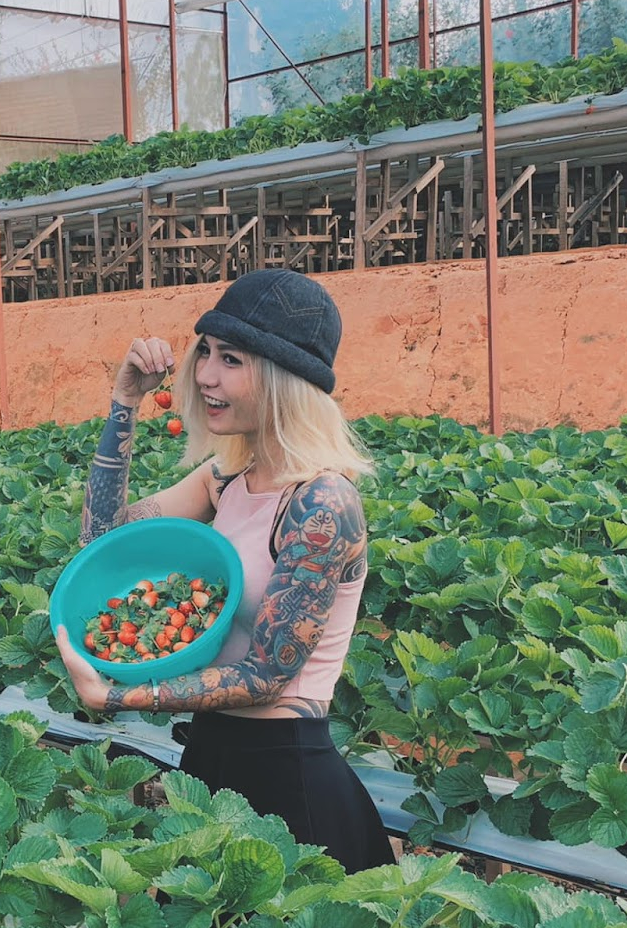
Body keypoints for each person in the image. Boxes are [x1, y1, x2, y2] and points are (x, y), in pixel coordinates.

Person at [56, 268, 395, 873]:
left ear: (285, 380)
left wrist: (120, 695)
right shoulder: (228, 478)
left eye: (232, 359)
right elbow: (100, 542)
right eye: (205, 352)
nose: (206, 375)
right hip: (211, 756)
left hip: (287, 775)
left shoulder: (322, 504)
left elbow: (267, 674)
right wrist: (124, 401)